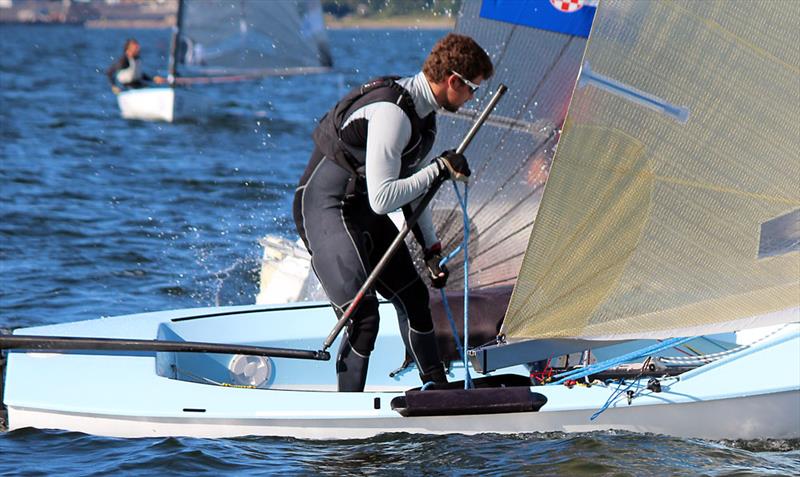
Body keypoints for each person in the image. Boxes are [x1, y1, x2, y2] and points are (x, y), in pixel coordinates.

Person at [293, 33, 493, 392]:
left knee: (416, 298)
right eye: (472, 90)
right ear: (452, 81)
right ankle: (347, 415)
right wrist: (437, 170)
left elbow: (411, 190)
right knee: (363, 317)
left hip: (362, 211)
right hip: (327, 208)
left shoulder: (424, 116)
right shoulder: (393, 114)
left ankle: (437, 391)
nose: (472, 99)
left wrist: (432, 249)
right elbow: (385, 199)